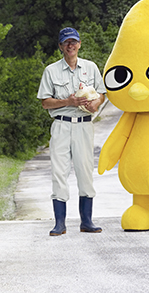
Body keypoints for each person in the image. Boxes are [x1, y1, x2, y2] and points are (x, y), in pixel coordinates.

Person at [37, 27, 106, 236]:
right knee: (59, 171)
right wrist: (68, 101)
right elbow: (45, 102)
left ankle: (87, 221)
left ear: (79, 44)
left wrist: (95, 104)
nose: (70, 45)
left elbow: (102, 94)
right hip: (61, 125)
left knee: (85, 170)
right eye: (66, 42)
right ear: (60, 46)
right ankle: (60, 223)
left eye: (74, 42)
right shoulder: (51, 71)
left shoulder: (91, 67)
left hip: (84, 125)